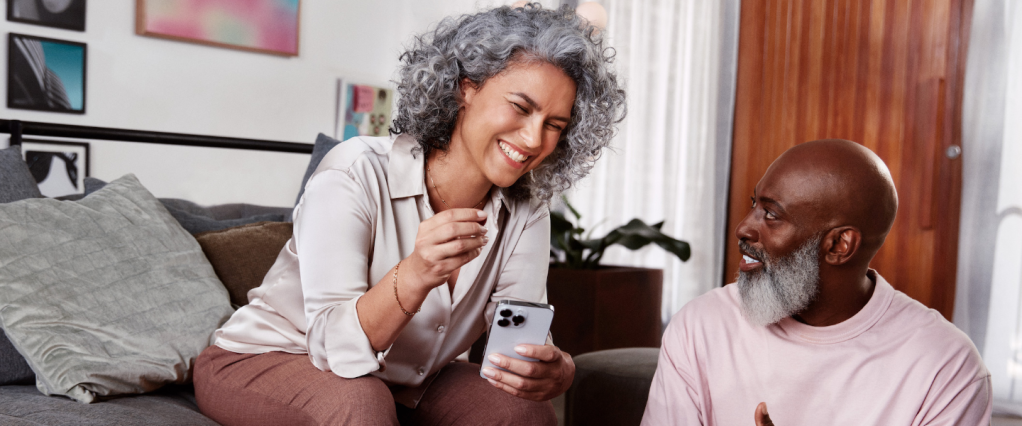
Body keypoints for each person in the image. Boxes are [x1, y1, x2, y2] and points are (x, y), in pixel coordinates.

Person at [192, 4, 626, 425]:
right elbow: (332, 347)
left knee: (520, 412)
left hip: (408, 381)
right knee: (359, 401)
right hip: (271, 357)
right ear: (466, 87)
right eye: (520, 106)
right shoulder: (354, 170)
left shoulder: (526, 210)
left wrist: (554, 370)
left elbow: (514, 344)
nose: (534, 139)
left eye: (555, 124)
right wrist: (416, 273)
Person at [641, 140, 991, 425]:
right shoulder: (701, 326)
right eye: (754, 205)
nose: (744, 228)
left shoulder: (946, 368)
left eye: (772, 215)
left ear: (839, 245)